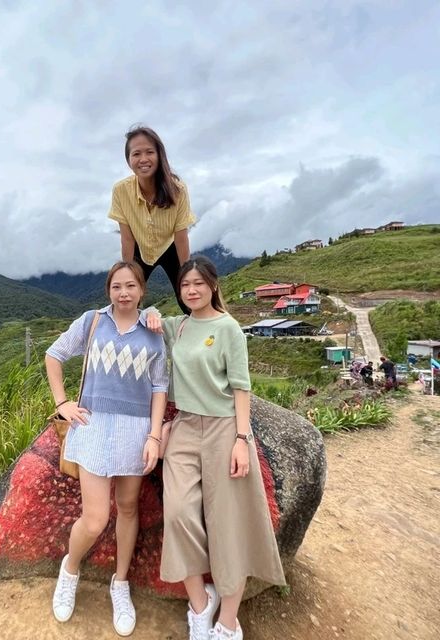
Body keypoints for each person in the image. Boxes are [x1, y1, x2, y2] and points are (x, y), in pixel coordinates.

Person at [146, 256, 285, 640]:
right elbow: (148, 319)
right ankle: (199, 604)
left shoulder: (229, 330)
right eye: (185, 285)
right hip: (186, 427)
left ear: (213, 285)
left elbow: (242, 388)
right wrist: (154, 314)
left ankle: (227, 620)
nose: (191, 290)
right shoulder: (180, 326)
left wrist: (242, 440)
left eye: (198, 284)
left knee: (228, 523)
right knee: (177, 513)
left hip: (225, 429)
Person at [45, 261, 168, 636]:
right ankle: (70, 568)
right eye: (117, 286)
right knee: (96, 518)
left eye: (131, 286)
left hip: (136, 432)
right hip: (95, 427)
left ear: (142, 291)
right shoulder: (92, 321)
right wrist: (62, 402)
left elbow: (160, 387)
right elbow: (54, 355)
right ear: (108, 290)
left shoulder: (153, 330)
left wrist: (154, 436)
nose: (124, 293)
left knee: (129, 509)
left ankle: (121, 583)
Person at [108, 125, 196, 313]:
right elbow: (127, 238)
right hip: (140, 248)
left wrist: (187, 276)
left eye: (149, 152)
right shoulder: (120, 190)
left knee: (188, 297)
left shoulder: (178, 189)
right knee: (129, 298)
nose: (143, 159)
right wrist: (127, 275)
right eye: (136, 154)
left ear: (159, 155)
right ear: (128, 159)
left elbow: (181, 237)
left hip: (170, 245)